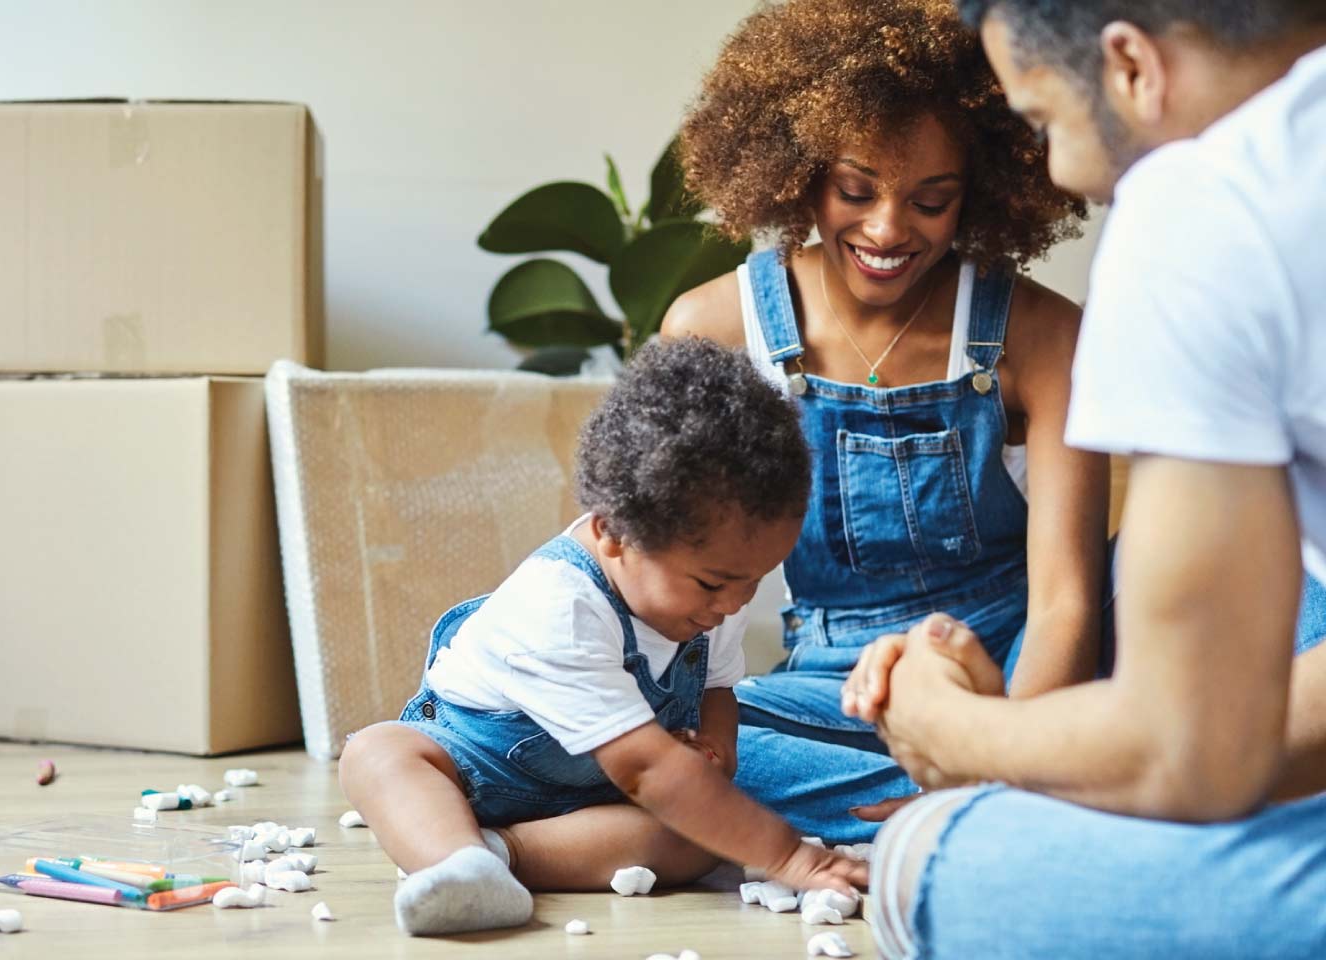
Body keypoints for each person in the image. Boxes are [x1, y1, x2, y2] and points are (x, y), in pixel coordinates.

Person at [846, 2, 1326, 955]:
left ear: (1131, 65)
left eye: (1041, 122)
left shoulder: (1205, 198)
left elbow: (1194, 754)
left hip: (1166, 727)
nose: (1062, 171)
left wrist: (954, 732)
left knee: (925, 852)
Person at [660, 0, 1107, 843]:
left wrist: (1001, 753)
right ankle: (1038, 806)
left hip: (1023, 670)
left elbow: (1067, 604)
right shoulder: (711, 331)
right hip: (837, 685)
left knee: (1292, 611)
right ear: (799, 172)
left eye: (932, 201)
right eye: (854, 190)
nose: (888, 230)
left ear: (981, 193)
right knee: (683, 755)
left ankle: (995, 802)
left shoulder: (1044, 337)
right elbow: (663, 585)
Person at [338, 337, 866, 937]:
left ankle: (496, 858)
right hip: (476, 766)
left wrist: (716, 754)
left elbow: (718, 686)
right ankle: (450, 851)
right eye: (715, 583)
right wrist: (790, 856)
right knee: (379, 754)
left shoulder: (716, 594)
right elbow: (645, 769)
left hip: (593, 798)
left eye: (755, 581)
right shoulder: (559, 607)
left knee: (695, 834)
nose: (736, 603)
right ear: (613, 532)